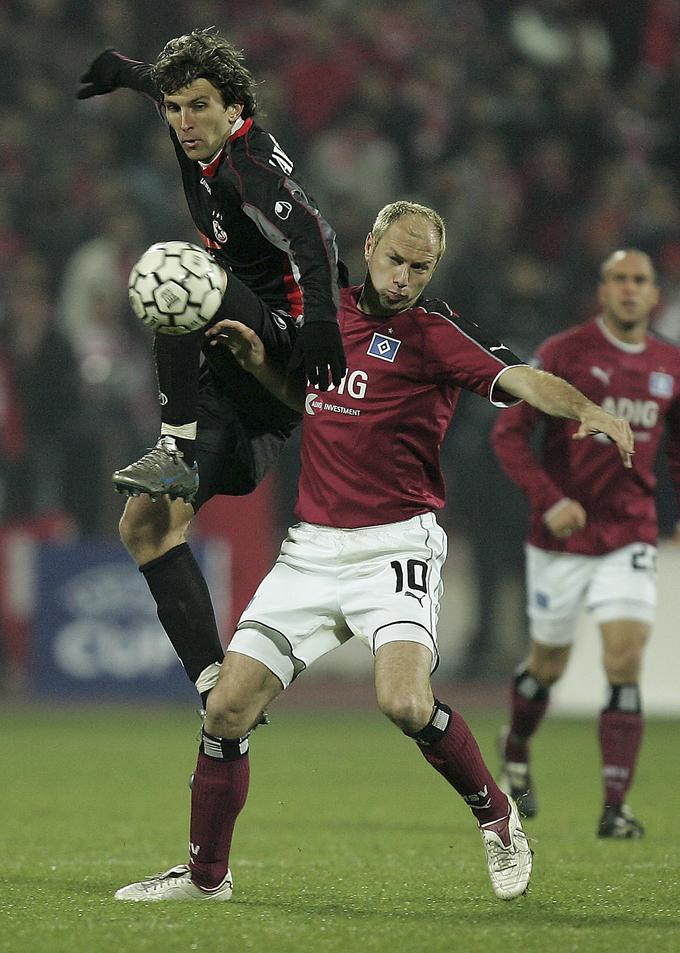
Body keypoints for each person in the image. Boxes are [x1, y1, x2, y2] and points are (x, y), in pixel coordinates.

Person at [114, 202, 634, 904]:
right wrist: (260, 362)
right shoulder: (328, 322)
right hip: (312, 549)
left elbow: (522, 378)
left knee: (403, 699)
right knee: (226, 709)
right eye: (396, 259)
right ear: (370, 247)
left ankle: (500, 819)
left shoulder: (433, 337)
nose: (405, 277)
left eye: (421, 267)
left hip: (396, 544)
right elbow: (309, 396)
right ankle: (207, 878)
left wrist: (589, 410)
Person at [77, 29, 345, 705]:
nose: (183, 121)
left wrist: (321, 325)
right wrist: (122, 69)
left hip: (279, 343)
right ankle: (215, 688)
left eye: (198, 106)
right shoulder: (192, 127)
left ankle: (174, 444)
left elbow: (316, 237)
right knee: (144, 525)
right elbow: (158, 82)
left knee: (177, 272)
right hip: (228, 376)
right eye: (173, 109)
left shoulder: (251, 165)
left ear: (234, 108)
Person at [492, 249, 680, 838]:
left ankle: (613, 808)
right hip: (560, 537)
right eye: (619, 279)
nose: (629, 289)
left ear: (655, 296)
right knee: (548, 665)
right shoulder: (563, 353)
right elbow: (508, 435)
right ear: (602, 292)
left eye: (640, 281)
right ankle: (516, 747)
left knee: (624, 659)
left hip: (630, 529)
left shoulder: (670, 364)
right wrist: (551, 501)